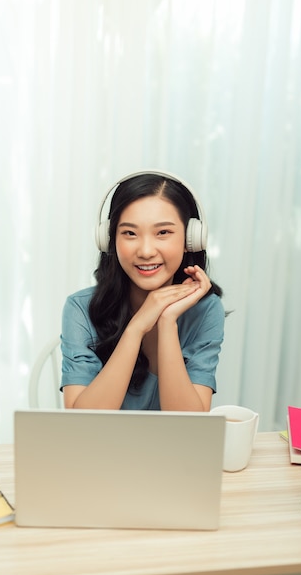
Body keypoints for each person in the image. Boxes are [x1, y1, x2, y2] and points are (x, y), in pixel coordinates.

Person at [61, 170, 225, 411]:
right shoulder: (79, 308)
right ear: (109, 240)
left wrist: (167, 321)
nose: (146, 251)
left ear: (190, 238)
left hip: (171, 449)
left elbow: (187, 426)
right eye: (129, 233)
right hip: (100, 447)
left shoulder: (205, 310)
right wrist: (137, 328)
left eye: (163, 233)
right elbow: (82, 422)